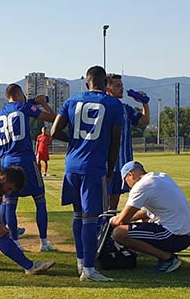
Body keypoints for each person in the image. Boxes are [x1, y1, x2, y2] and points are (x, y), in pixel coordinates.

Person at [51, 65, 123, 282]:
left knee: (78, 215)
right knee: (91, 218)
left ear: (86, 82)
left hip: (72, 165)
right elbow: (115, 143)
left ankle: (80, 262)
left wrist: (74, 141)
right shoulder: (114, 104)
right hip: (94, 166)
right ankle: (89, 270)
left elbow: (54, 131)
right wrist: (110, 171)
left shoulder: (71, 101)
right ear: (105, 83)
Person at [0, 84, 56, 251]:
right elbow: (52, 118)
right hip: (26, 160)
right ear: (19, 93)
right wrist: (43, 103)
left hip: (6, 161)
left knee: (9, 202)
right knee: (39, 199)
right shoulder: (24, 107)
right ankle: (44, 242)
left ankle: (15, 241)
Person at [109, 161, 190, 273]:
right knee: (142, 221)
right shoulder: (162, 177)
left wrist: (111, 220)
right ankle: (165, 254)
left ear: (131, 175)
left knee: (119, 233)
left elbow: (121, 221)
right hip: (185, 233)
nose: (128, 186)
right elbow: (144, 213)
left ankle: (167, 258)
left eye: (126, 182)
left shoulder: (141, 186)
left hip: (175, 235)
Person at [105, 74, 150, 210]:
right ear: (108, 88)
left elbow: (144, 121)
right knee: (102, 198)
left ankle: (111, 221)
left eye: (122, 85)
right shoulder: (102, 107)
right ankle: (101, 222)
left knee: (115, 199)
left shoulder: (125, 108)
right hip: (106, 162)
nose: (121, 89)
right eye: (117, 86)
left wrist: (144, 103)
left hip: (123, 163)